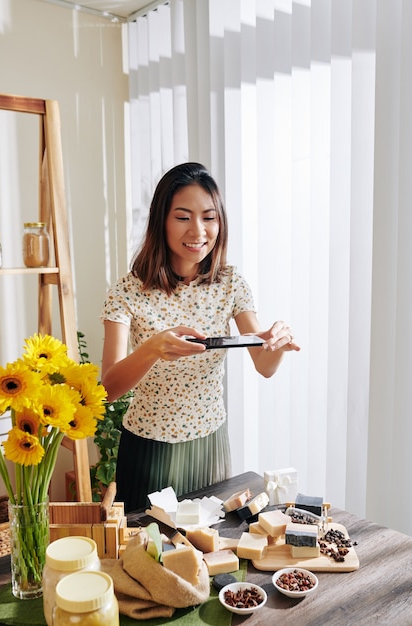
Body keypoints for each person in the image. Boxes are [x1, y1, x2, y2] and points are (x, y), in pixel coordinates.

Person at [100, 162, 300, 512]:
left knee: (213, 550)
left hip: (209, 444)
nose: (198, 230)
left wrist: (277, 343)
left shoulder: (230, 283)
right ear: (161, 220)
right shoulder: (127, 291)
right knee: (148, 554)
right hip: (150, 448)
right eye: (183, 217)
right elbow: (107, 389)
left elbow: (264, 364)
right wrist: (152, 349)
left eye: (209, 217)